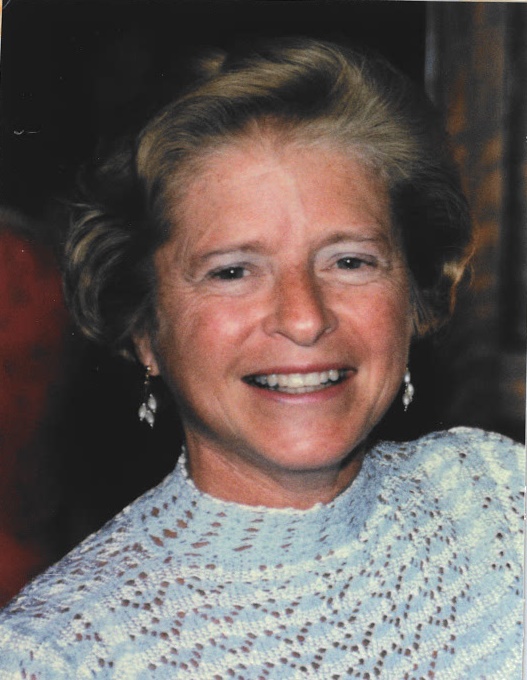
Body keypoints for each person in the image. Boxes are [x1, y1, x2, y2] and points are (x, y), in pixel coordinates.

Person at [0, 36, 523, 679]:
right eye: (233, 271)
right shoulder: (59, 656)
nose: (305, 318)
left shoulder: (499, 496)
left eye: (350, 261)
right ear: (144, 329)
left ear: (412, 295)